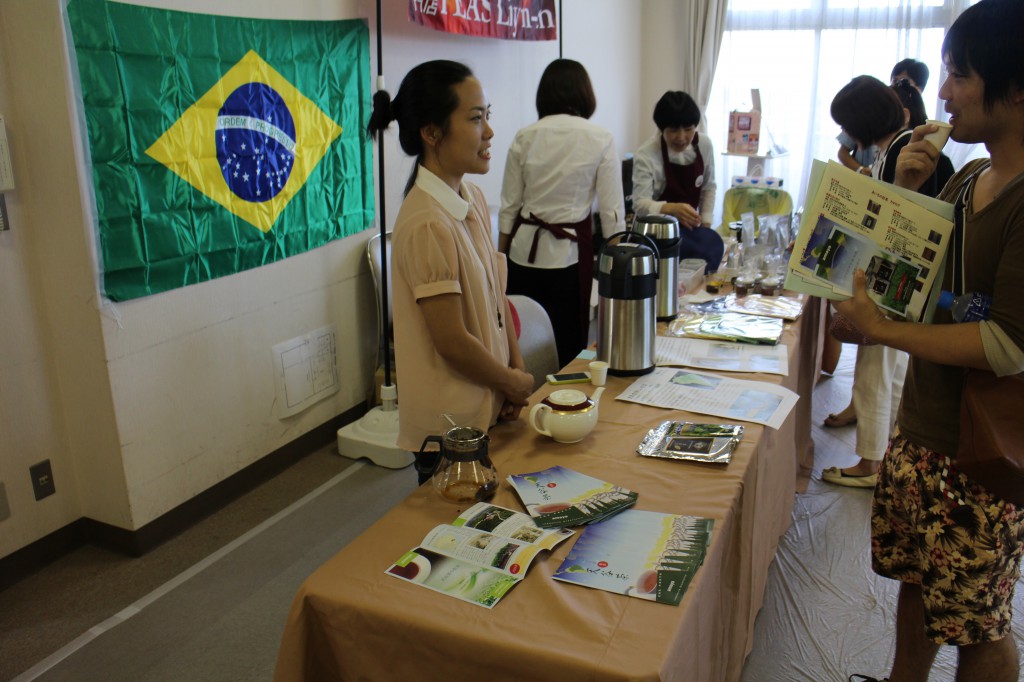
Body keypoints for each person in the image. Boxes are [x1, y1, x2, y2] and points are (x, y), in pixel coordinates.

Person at [836, 1, 1024, 679]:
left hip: (985, 448)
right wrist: (907, 185)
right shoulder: (972, 177)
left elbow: (1007, 344)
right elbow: (908, 277)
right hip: (924, 426)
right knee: (919, 584)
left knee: (978, 621)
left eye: (959, 73)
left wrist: (887, 331)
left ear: (1016, 86)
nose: (941, 93)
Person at [366, 60, 534, 481]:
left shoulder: (472, 197)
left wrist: (514, 375)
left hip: (488, 402)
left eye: (487, 115)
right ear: (431, 132)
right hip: (452, 427)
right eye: (476, 119)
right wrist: (510, 382)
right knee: (461, 536)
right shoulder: (427, 221)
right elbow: (452, 341)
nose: (489, 131)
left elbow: (497, 297)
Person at [822, 76, 919, 486]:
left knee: (873, 373)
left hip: (890, 284)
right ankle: (883, 453)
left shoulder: (899, 149)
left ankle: (869, 464)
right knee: (890, 372)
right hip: (902, 285)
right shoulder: (897, 145)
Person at [498, 59, 625, 366]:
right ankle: (565, 406)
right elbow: (612, 214)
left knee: (521, 340)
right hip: (568, 257)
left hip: (522, 254)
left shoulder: (524, 136)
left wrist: (498, 263)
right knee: (568, 344)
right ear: (585, 95)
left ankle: (523, 403)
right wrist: (615, 274)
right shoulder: (600, 138)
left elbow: (509, 206)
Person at [632, 91, 717, 230]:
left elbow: (708, 188)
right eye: (673, 130)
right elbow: (640, 204)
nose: (681, 137)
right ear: (661, 129)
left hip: (690, 229)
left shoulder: (704, 145)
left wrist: (705, 226)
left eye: (689, 129)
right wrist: (670, 208)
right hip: (655, 231)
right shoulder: (646, 154)